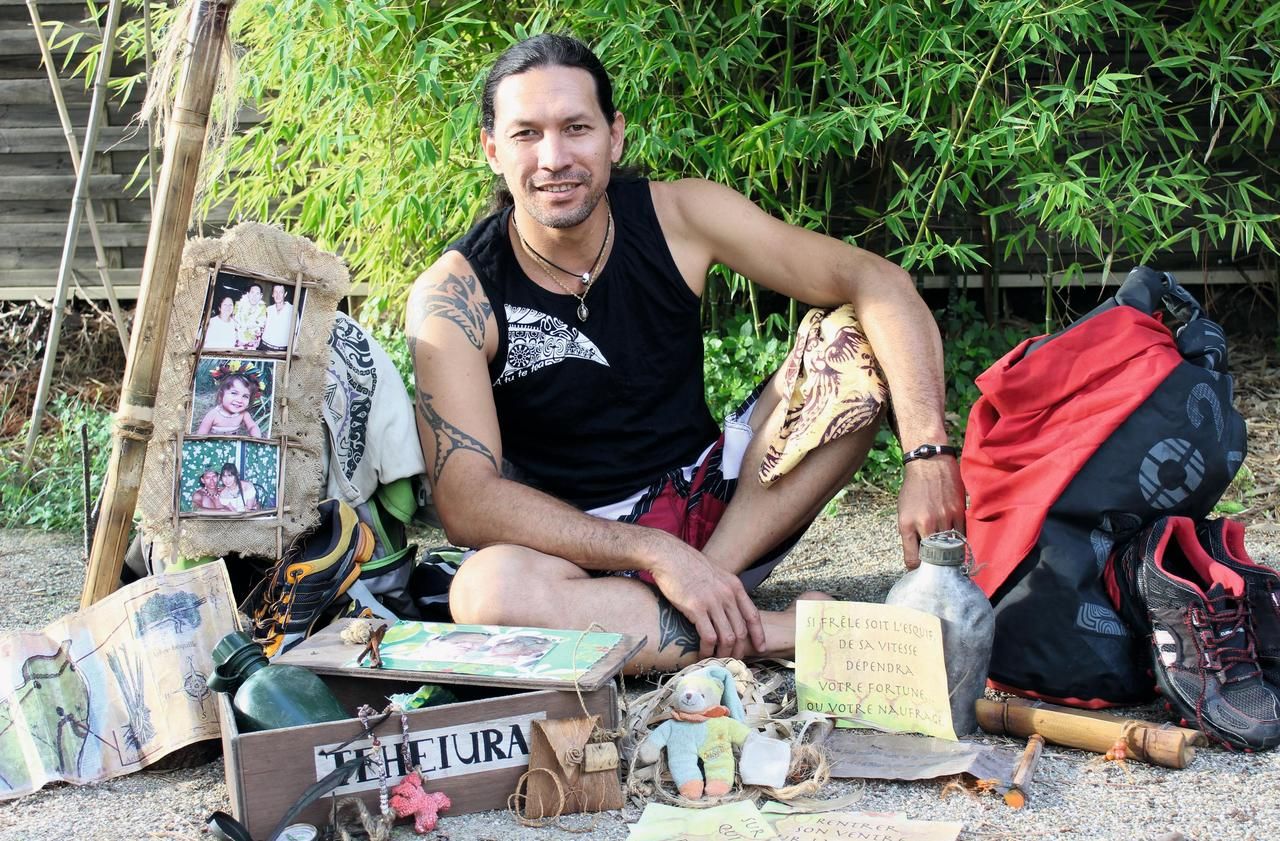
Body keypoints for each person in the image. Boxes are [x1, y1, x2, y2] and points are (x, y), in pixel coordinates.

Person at [406, 34, 965, 674]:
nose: (554, 157)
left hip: (724, 514)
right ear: (492, 150)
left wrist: (928, 453)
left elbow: (878, 281)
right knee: (486, 594)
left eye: (576, 128)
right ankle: (799, 633)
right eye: (527, 134)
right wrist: (655, 555)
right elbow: (466, 501)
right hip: (579, 551)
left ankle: (705, 606)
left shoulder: (680, 216)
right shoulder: (455, 295)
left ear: (614, 137)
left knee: (853, 346)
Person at [197, 371, 264, 437]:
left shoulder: (243, 414)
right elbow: (201, 434)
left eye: (245, 396)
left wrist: (256, 436)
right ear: (221, 395)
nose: (239, 400)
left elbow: (252, 426)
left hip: (233, 446)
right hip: (214, 446)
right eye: (234, 393)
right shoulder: (213, 415)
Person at [260, 284, 296, 352]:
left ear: (285, 294)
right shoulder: (268, 309)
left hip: (282, 350)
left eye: (281, 292)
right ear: (272, 294)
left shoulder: (292, 310)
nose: (278, 295)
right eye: (275, 292)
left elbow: (296, 333)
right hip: (264, 347)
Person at [234, 285, 267, 349]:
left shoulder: (264, 310)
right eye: (252, 292)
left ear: (261, 296)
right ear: (248, 294)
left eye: (257, 293)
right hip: (235, 345)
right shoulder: (238, 306)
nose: (254, 296)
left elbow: (260, 325)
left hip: (252, 347)